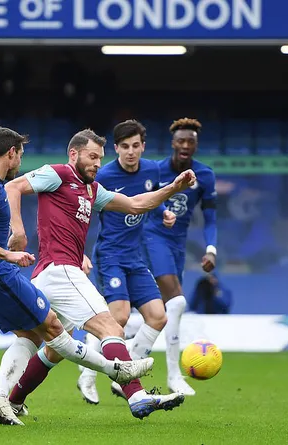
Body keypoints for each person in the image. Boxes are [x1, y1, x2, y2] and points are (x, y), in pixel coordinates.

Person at [0, 127, 153, 426]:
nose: (21, 162)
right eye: (20, 155)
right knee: (53, 329)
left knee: (31, 335)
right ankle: (118, 370)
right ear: (11, 153)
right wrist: (8, 253)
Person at [1, 129, 197, 421]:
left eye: (99, 158)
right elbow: (13, 187)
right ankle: (138, 397)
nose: (96, 163)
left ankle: (11, 400)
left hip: (51, 275)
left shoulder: (93, 190)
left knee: (53, 348)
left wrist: (173, 188)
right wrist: (18, 230)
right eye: (92, 157)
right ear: (73, 154)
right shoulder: (58, 174)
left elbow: (136, 204)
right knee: (112, 329)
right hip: (61, 272)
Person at [76, 120, 176, 404]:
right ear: (116, 149)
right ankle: (87, 374)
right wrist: (80, 252)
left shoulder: (152, 169)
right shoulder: (103, 176)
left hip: (135, 256)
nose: (130, 152)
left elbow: (154, 197)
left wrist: (165, 212)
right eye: (124, 147)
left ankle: (125, 374)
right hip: (110, 256)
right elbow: (83, 213)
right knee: (117, 318)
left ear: (143, 146)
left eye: (135, 146)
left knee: (158, 316)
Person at [141, 118, 217, 396]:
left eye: (191, 141)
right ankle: (174, 375)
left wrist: (211, 249)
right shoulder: (154, 170)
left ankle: (121, 358)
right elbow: (141, 202)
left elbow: (210, 218)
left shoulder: (205, 175)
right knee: (177, 301)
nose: (185, 145)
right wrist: (161, 214)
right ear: (173, 143)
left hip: (177, 244)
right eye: (181, 141)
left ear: (196, 145)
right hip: (151, 237)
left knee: (162, 311)